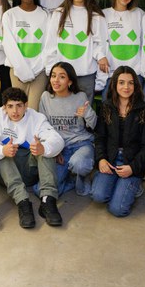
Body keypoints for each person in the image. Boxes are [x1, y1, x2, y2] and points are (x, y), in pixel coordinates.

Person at [0, 88, 64, 228]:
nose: (15, 111)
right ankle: (23, 202)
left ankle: (48, 200)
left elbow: (57, 139)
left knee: (45, 149)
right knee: (1, 153)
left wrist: (44, 148)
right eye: (10, 106)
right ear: (4, 107)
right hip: (7, 173)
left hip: (30, 169)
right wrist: (2, 150)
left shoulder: (36, 118)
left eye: (19, 105)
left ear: (26, 105)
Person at [91, 66, 145, 217]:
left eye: (130, 83)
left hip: (131, 162)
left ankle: (134, 185)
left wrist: (132, 168)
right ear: (114, 84)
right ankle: (117, 183)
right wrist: (101, 159)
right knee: (98, 196)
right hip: (111, 159)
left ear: (136, 85)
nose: (126, 87)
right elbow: (100, 137)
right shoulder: (107, 106)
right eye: (121, 82)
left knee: (118, 209)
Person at [43, 0, 109, 102]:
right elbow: (50, 45)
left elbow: (100, 46)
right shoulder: (59, 13)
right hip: (62, 76)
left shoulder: (96, 16)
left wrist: (100, 79)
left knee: (83, 112)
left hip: (86, 76)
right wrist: (51, 72)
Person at [39, 62, 96, 197]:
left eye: (62, 77)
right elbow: (43, 127)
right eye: (53, 76)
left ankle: (80, 176)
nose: (56, 80)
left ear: (70, 82)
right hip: (60, 146)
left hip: (81, 143)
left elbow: (94, 125)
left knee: (79, 164)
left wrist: (87, 113)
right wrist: (54, 149)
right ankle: (71, 179)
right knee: (44, 189)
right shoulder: (45, 97)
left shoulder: (80, 96)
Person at [1, 0, 48, 110]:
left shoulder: (45, 15)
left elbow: (48, 45)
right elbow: (9, 45)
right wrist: (23, 70)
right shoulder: (9, 15)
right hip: (17, 71)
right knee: (18, 110)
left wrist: (36, 69)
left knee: (34, 109)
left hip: (40, 72)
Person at [97, 0, 145, 98]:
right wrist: (101, 56)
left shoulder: (139, 14)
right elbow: (97, 40)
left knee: (133, 105)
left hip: (135, 72)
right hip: (112, 72)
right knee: (107, 102)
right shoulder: (103, 14)